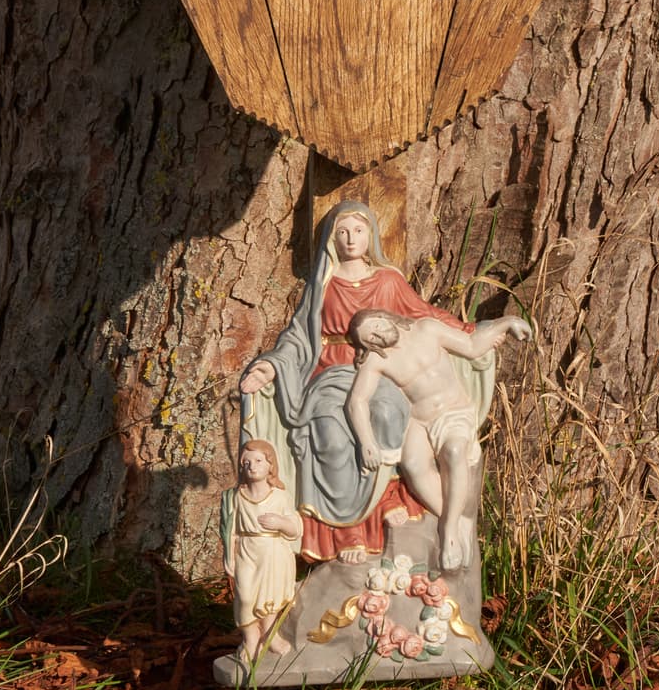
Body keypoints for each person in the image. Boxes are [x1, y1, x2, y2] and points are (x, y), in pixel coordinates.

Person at [238, 201, 492, 564]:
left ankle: (389, 500)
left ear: (370, 234)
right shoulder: (323, 285)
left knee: (388, 413)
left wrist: (470, 332)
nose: (350, 239)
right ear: (331, 239)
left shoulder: (388, 280)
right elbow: (299, 336)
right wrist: (272, 366)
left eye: (358, 230)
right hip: (329, 375)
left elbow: (423, 313)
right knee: (331, 436)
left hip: (378, 370)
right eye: (342, 232)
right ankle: (348, 532)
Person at [345, 309, 533, 571]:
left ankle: (449, 530)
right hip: (419, 420)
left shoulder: (426, 329)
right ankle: (456, 520)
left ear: (386, 316)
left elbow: (471, 346)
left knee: (454, 451)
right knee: (412, 465)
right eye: (370, 337)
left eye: (376, 324)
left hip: (454, 411)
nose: (378, 334)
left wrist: (507, 322)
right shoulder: (377, 360)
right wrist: (367, 441)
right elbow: (357, 401)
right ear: (368, 345)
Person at [222, 439, 303, 663]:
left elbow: (296, 528)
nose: (252, 466)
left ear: (271, 465)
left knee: (270, 596)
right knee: (245, 596)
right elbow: (229, 529)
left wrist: (280, 523)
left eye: (258, 461)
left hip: (273, 552)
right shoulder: (235, 496)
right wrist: (229, 555)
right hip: (246, 551)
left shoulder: (280, 496)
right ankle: (250, 636)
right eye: (246, 463)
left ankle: (270, 634)